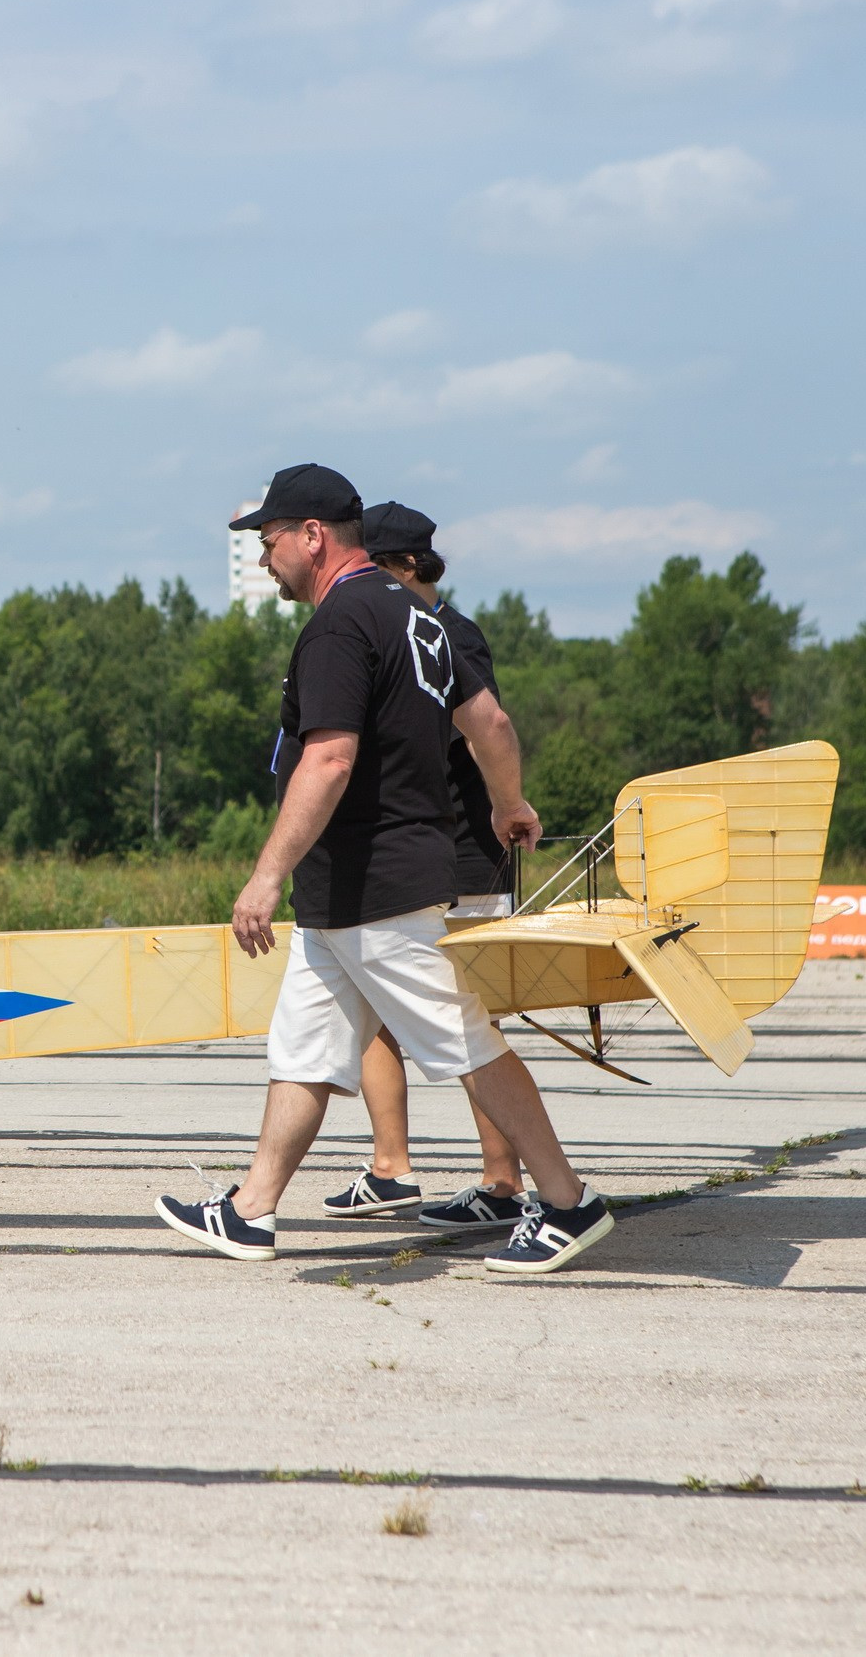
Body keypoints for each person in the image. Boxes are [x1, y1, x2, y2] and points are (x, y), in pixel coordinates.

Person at [153, 463, 613, 1274]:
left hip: (377, 885)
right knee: (304, 1049)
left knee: (466, 1042)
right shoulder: (421, 616)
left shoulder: (338, 625)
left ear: (312, 536)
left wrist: (264, 875)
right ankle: (252, 1211)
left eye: (269, 543)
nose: (265, 561)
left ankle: (570, 1202)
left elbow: (328, 760)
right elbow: (490, 722)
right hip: (347, 892)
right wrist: (510, 802)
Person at [320, 501, 529, 1234]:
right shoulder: (420, 627)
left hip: (461, 854)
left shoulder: (439, 632)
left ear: (406, 567)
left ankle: (504, 1183)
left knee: (471, 1026)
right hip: (432, 856)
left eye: (375, 566)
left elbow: (480, 731)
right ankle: (390, 1167)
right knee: (378, 1010)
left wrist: (510, 804)